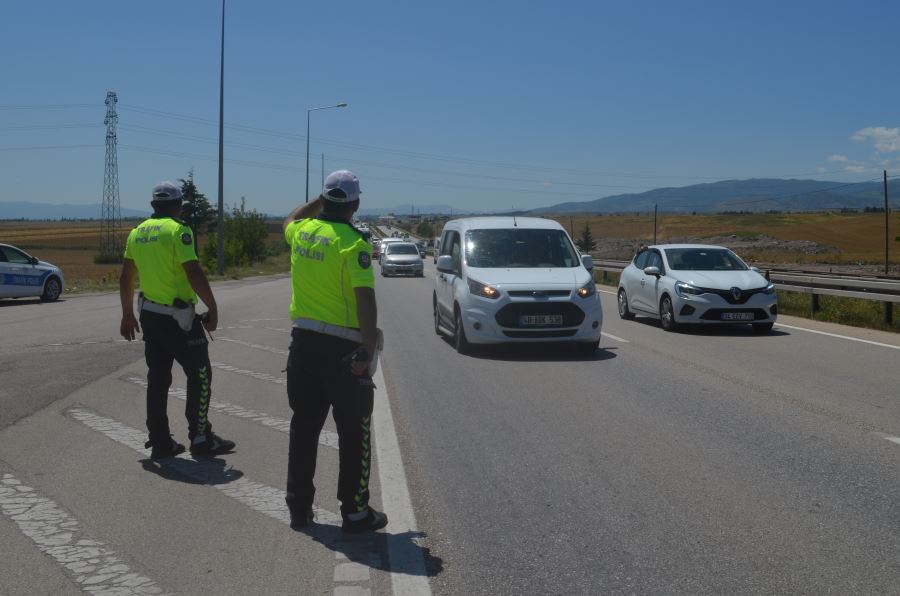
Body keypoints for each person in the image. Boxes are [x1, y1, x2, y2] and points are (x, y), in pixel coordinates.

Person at [283, 170, 387, 533]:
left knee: (305, 427)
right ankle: (355, 512)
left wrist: (318, 201)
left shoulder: (301, 232)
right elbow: (365, 298)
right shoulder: (353, 243)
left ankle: (298, 508)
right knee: (354, 431)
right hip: (342, 349)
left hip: (303, 343)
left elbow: (292, 218)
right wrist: (367, 347)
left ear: (324, 200)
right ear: (356, 204)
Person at [119, 181, 236, 459]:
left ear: (152, 206)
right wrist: (213, 307)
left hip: (149, 316)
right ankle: (200, 437)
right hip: (178, 319)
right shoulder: (179, 231)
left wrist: (126, 315)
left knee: (158, 379)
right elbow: (193, 271)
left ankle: (160, 442)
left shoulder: (136, 234)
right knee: (201, 375)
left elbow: (126, 277)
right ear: (178, 206)